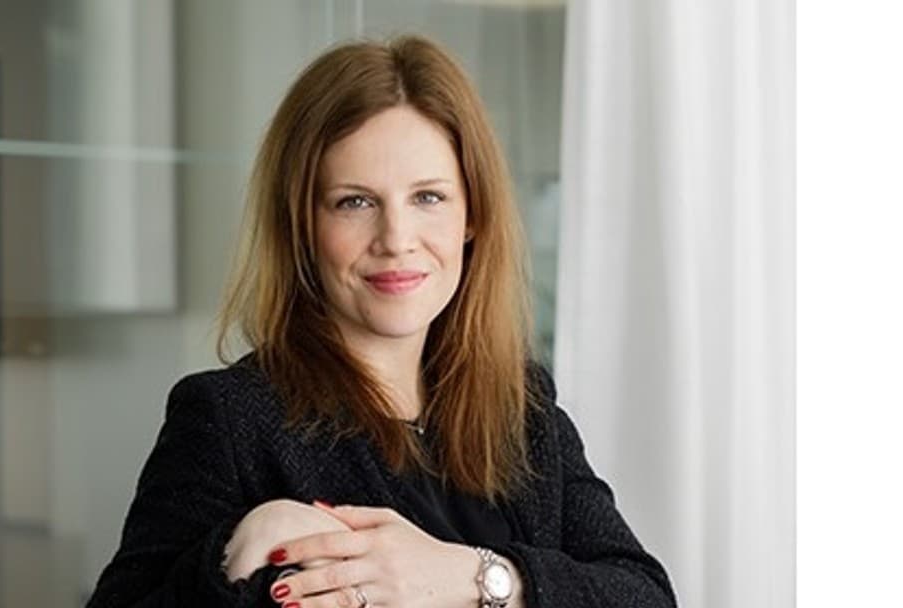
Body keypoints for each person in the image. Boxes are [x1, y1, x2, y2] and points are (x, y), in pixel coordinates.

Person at [87, 35, 676, 608]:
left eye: (428, 197)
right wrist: (232, 555)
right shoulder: (230, 419)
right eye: (355, 202)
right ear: (303, 227)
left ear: (472, 215)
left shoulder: (523, 410)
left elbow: (645, 594)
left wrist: (474, 576)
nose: (396, 239)